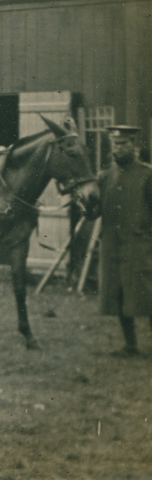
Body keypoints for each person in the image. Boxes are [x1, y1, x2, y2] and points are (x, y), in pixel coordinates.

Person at [97, 124, 152, 357]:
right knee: (119, 295)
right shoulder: (105, 176)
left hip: (139, 246)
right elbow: (94, 212)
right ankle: (131, 345)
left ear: (133, 146)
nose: (118, 149)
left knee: (147, 294)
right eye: (115, 145)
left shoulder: (147, 175)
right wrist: (84, 204)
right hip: (112, 246)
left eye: (123, 144)